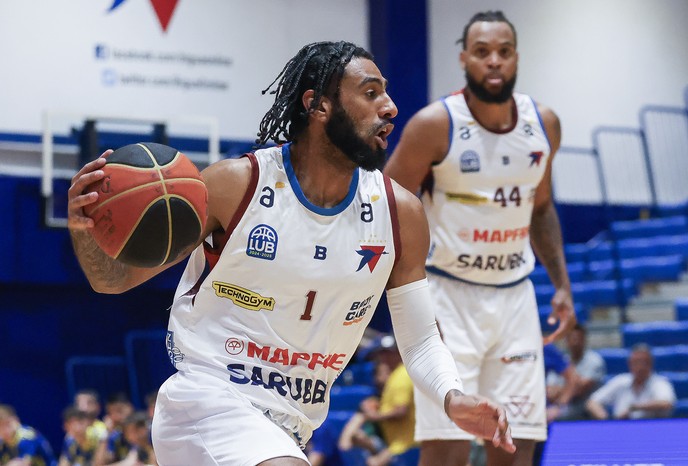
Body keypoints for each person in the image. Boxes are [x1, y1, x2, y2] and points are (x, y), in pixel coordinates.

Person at [67, 40, 515, 465]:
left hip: (291, 427)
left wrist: (452, 396)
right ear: (318, 105)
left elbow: (418, 339)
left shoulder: (401, 214)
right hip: (205, 404)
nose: (391, 107)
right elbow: (112, 279)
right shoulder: (235, 186)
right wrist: (84, 227)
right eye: (371, 92)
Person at [383, 10, 576, 466]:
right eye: (483, 52)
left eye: (504, 53)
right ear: (464, 58)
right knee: (447, 447)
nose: (494, 62)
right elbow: (386, 204)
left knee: (516, 444)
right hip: (449, 296)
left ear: (517, 59)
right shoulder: (435, 125)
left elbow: (541, 207)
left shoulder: (543, 124)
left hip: (515, 297)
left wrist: (562, 284)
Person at [339, 334, 418, 466]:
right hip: (399, 443)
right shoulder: (397, 375)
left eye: (389, 353)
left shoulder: (402, 374)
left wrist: (374, 416)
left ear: (399, 352)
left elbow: (401, 411)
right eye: (382, 353)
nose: (384, 358)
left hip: (406, 445)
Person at [586, 344, 676, 420]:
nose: (640, 367)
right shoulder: (620, 381)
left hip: (652, 429)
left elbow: (667, 403)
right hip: (621, 430)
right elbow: (592, 402)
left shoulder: (660, 382)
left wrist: (635, 408)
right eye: (636, 362)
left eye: (643, 362)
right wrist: (606, 420)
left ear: (650, 363)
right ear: (630, 364)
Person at [559, 324, 606, 420]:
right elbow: (550, 390)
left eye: (578, 339)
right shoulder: (561, 360)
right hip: (564, 406)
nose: (575, 343)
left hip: (587, 406)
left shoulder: (594, 360)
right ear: (566, 341)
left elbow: (580, 390)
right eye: (572, 339)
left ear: (584, 340)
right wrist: (573, 385)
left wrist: (564, 389)